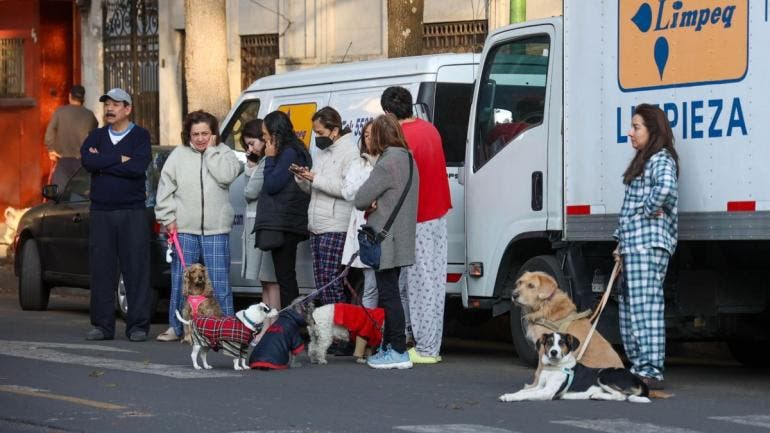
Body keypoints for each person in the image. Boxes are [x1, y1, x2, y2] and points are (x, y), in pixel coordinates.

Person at [154, 110, 243, 341]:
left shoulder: (224, 154)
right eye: (196, 134)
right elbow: (164, 189)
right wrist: (168, 217)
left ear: (213, 134)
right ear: (188, 134)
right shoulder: (178, 156)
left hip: (216, 230)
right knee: (180, 281)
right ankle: (176, 327)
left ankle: (225, 327)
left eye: (205, 133)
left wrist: (212, 151)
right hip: (184, 229)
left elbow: (226, 176)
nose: (201, 138)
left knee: (220, 281)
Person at [381, 86, 449, 364]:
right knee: (432, 283)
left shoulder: (401, 140)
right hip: (439, 212)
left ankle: (426, 348)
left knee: (419, 286)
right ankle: (428, 343)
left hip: (417, 218)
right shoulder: (430, 129)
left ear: (388, 113)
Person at [613, 103, 679, 390]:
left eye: (636, 127)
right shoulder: (646, 159)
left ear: (653, 130)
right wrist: (621, 242)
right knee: (630, 308)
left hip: (647, 245)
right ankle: (640, 366)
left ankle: (651, 369)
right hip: (633, 245)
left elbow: (664, 188)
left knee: (645, 308)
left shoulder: (660, 159)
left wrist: (646, 210)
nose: (630, 132)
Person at [80, 88, 152, 342]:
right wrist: (119, 158)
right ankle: (102, 326)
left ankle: (138, 326)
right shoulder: (95, 136)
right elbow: (88, 162)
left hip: (132, 211)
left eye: (115, 104)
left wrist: (106, 162)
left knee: (136, 269)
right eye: (107, 104)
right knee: (101, 270)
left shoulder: (141, 136)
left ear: (128, 109)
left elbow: (137, 167)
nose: (109, 108)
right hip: (101, 212)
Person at [354, 114, 418, 370]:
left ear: (379, 136)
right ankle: (393, 347)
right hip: (402, 236)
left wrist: (372, 201)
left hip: (384, 238)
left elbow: (360, 199)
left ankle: (397, 350)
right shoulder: (409, 159)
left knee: (388, 294)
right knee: (393, 293)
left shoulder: (386, 162)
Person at [293, 107, 360, 306]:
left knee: (332, 281)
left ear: (335, 130)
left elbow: (347, 189)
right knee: (321, 281)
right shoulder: (322, 152)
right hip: (317, 224)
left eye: (320, 132)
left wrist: (316, 178)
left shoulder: (351, 153)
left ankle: (340, 328)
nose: (317, 137)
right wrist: (303, 178)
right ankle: (328, 329)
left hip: (336, 225)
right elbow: (315, 187)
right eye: (315, 132)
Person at [253, 110, 312, 309]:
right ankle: (292, 321)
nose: (264, 137)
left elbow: (272, 184)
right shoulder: (296, 149)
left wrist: (269, 159)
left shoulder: (288, 152)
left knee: (285, 278)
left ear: (275, 132)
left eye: (265, 133)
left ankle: (291, 323)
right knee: (286, 276)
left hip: (284, 222)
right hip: (288, 221)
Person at [340, 119, 378, 362]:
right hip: (364, 228)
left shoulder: (388, 162)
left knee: (388, 287)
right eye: (365, 135)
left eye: (373, 135)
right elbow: (348, 192)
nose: (368, 139)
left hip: (384, 228)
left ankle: (377, 340)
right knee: (370, 285)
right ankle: (363, 344)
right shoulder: (358, 163)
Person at [241, 118, 281, 343]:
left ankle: (272, 327)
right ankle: (266, 325)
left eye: (254, 143)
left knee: (270, 278)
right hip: (255, 223)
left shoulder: (267, 163)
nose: (251, 149)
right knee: (264, 280)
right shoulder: (262, 163)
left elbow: (250, 191)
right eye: (247, 144)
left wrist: (251, 166)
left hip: (264, 224)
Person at [45, 84, 98, 190]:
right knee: (80, 195)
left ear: (70, 96)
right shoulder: (89, 115)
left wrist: (51, 150)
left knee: (59, 196)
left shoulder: (60, 112)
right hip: (82, 163)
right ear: (83, 99)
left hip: (63, 161)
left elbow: (49, 133)